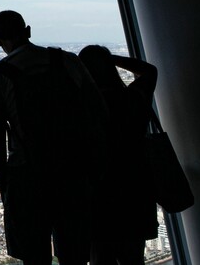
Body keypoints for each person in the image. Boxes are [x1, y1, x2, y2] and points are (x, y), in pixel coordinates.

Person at [0, 10, 107, 265]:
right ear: (28, 31)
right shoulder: (68, 61)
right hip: (72, 170)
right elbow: (97, 112)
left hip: (26, 172)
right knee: (74, 251)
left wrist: (2, 176)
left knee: (33, 252)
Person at [78, 45, 159, 265]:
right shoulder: (134, 97)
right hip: (135, 185)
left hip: (98, 191)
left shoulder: (81, 108)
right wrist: (109, 59)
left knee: (100, 256)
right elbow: (150, 71)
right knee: (133, 257)